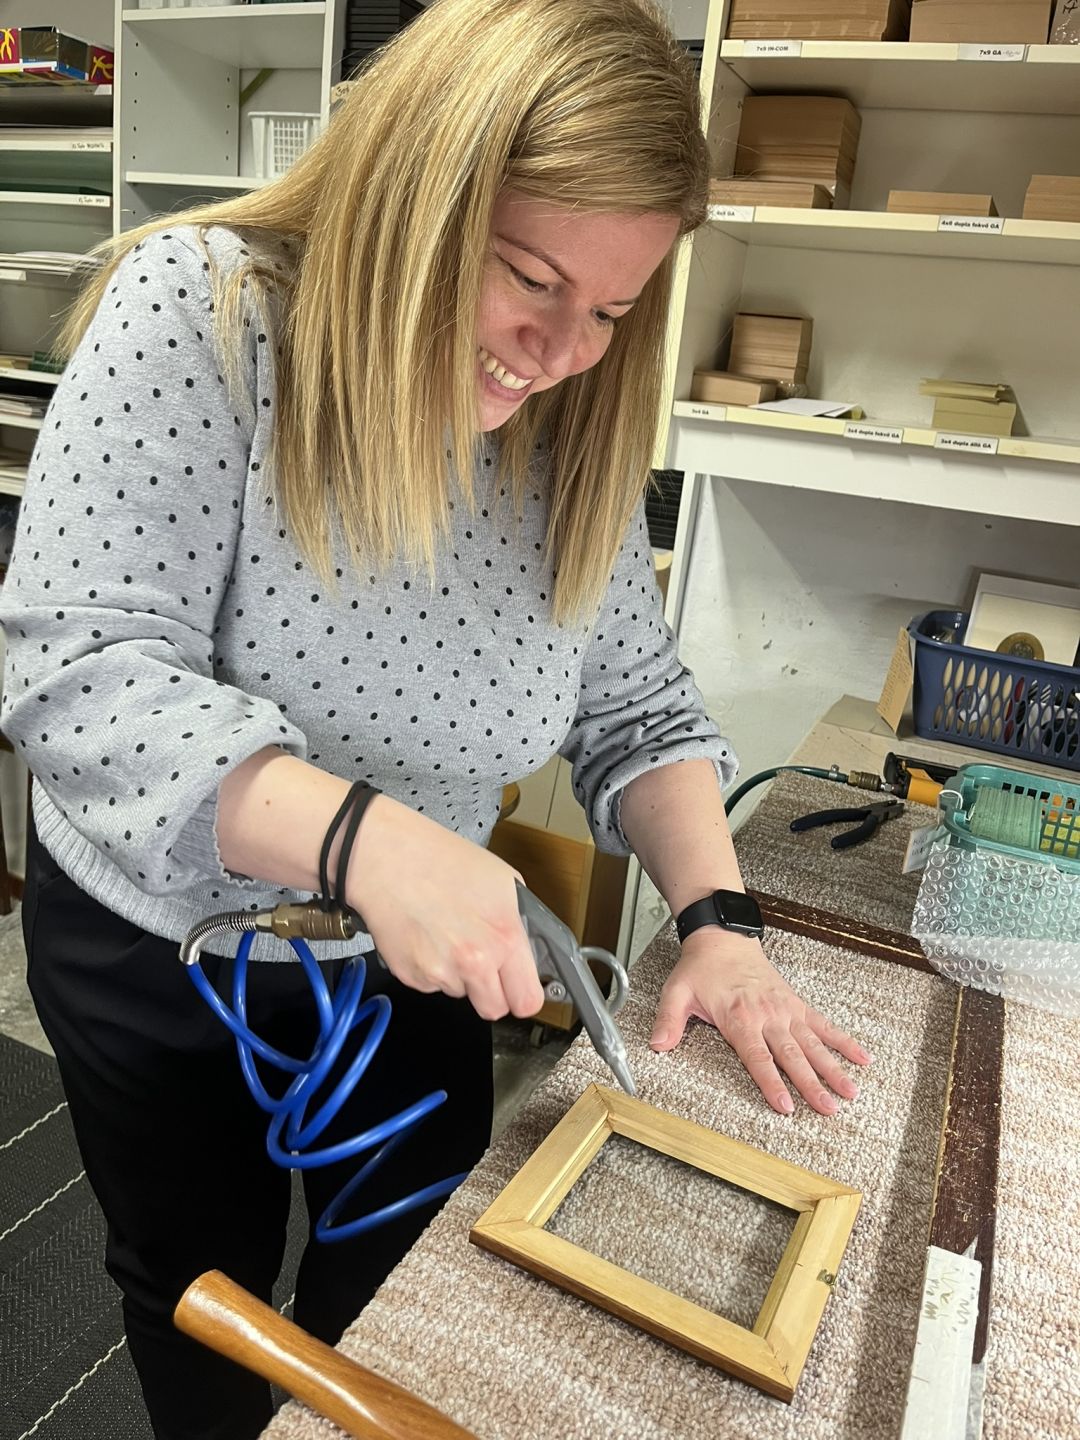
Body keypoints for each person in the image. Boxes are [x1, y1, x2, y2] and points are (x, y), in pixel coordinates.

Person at [0, 1, 870, 1435]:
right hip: (165, 950)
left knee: (408, 1310)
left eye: (612, 312)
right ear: (417, 197)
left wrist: (722, 925)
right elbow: (84, 675)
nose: (563, 349)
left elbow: (638, 707)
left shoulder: (569, 424)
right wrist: (370, 843)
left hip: (420, 958)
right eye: (530, 276)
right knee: (198, 1290)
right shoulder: (204, 309)